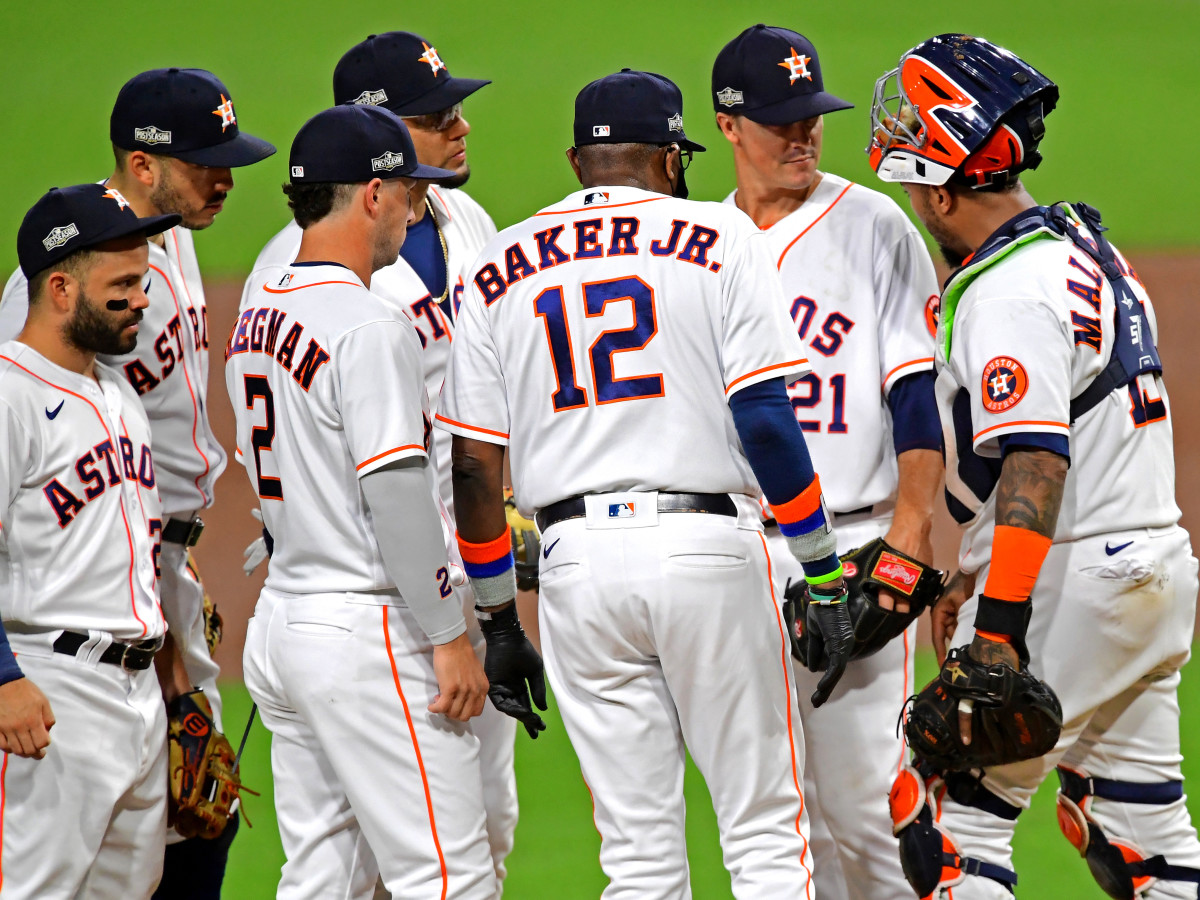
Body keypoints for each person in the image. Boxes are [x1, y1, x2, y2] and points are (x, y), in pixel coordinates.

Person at [438, 68, 858, 899]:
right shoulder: (721, 235)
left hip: (573, 570)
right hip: (708, 554)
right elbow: (768, 422)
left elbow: (473, 468)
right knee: (766, 831)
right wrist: (823, 566)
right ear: (672, 159)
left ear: (575, 160)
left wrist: (496, 621)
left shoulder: (496, 265)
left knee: (635, 855)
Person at [869, 33, 1200, 898]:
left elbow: (1035, 461)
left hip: (1068, 577)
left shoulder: (1010, 287)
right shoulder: (1086, 251)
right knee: (1142, 833)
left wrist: (997, 629)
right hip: (1151, 571)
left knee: (946, 815)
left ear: (939, 184)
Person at [245, 36, 519, 882]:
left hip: (318, 610)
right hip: (382, 603)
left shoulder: (457, 224)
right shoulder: (348, 305)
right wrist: (448, 632)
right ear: (373, 164)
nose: (459, 128)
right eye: (433, 120)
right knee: (452, 869)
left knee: (334, 872)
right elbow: (392, 480)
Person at [0, 68, 275, 897]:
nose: (224, 178)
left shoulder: (168, 247)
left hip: (154, 582)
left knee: (195, 811)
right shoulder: (66, 280)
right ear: (142, 165)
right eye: (204, 162)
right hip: (83, 588)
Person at [711, 24, 943, 899]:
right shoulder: (699, 240)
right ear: (729, 127)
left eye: (812, 115)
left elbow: (916, 397)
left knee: (866, 810)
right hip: (735, 556)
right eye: (780, 121)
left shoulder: (874, 225)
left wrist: (910, 535)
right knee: (780, 816)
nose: (803, 134)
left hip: (855, 543)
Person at [0, 183, 189, 898]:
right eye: (124, 285)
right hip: (49, 694)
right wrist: (3, 679)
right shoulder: (10, 397)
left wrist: (174, 677)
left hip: (136, 699)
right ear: (59, 287)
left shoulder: (118, 394)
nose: (142, 299)